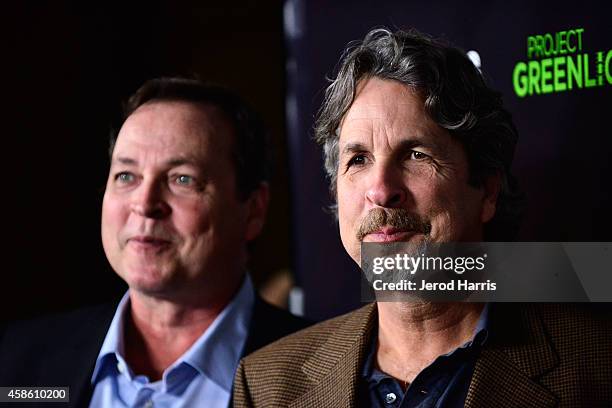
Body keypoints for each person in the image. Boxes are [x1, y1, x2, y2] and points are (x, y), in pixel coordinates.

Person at [233, 28, 612, 407]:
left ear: (488, 191)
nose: (381, 190)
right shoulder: (267, 385)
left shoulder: (597, 370)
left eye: (415, 155)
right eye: (359, 159)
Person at [0, 77, 309, 408]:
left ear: (253, 210)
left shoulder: (328, 374)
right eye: (126, 176)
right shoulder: (19, 360)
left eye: (182, 179)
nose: (145, 204)